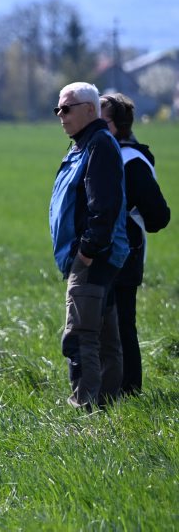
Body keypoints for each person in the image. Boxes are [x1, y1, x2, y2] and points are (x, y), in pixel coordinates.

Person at [48, 82, 128, 410]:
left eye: (66, 108)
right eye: (57, 109)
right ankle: (108, 409)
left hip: (93, 258)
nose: (60, 115)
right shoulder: (85, 144)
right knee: (106, 336)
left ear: (90, 110)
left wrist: (87, 251)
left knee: (81, 337)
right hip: (95, 256)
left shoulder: (99, 146)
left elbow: (103, 205)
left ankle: (85, 410)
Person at [99, 92, 171, 396]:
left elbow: (158, 216)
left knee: (121, 322)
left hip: (125, 251)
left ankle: (129, 391)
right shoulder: (99, 153)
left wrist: (126, 217)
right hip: (98, 250)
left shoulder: (131, 161)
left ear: (115, 125)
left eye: (99, 119)